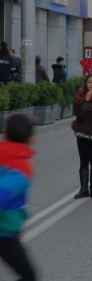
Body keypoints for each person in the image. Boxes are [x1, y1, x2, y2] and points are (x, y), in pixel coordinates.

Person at [0, 114, 37, 280]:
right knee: (29, 276)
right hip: (4, 233)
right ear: (31, 138)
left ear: (5, 134)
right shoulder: (21, 166)